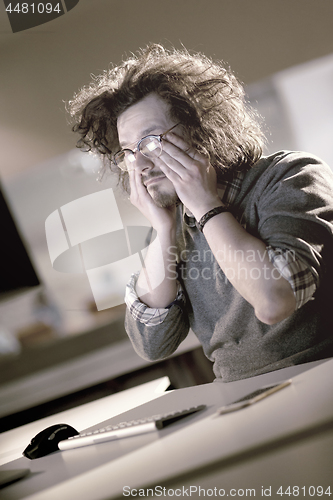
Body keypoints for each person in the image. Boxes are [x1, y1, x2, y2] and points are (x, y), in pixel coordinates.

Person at [68, 44, 333, 382]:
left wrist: (206, 206)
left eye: (151, 142)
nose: (142, 165)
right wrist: (162, 231)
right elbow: (152, 344)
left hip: (320, 378)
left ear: (203, 129)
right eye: (130, 152)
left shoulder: (291, 175)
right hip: (240, 399)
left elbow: (273, 300)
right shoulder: (173, 222)